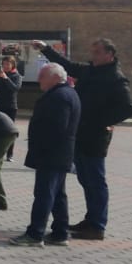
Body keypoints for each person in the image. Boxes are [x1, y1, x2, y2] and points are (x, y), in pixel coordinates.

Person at [34, 38, 132, 240]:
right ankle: (91, 220)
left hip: (96, 137)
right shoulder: (90, 70)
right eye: (93, 51)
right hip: (79, 135)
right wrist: (46, 49)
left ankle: (97, 225)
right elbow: (68, 66)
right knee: (85, 179)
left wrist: (102, 122)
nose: (93, 55)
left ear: (110, 55)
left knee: (96, 181)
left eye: (97, 52)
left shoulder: (115, 78)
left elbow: (128, 107)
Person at [10, 64, 81, 247]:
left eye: (42, 76)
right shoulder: (66, 93)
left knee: (44, 194)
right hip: (58, 153)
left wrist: (42, 147)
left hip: (52, 154)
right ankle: (60, 233)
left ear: (55, 77)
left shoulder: (59, 96)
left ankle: (35, 234)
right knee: (57, 195)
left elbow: (57, 127)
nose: (39, 79)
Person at [0, 57, 23, 161]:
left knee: (9, 130)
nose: (5, 66)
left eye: (8, 64)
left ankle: (10, 154)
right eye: (4, 64)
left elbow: (15, 88)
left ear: (13, 65)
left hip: (10, 106)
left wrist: (6, 78)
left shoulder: (17, 76)